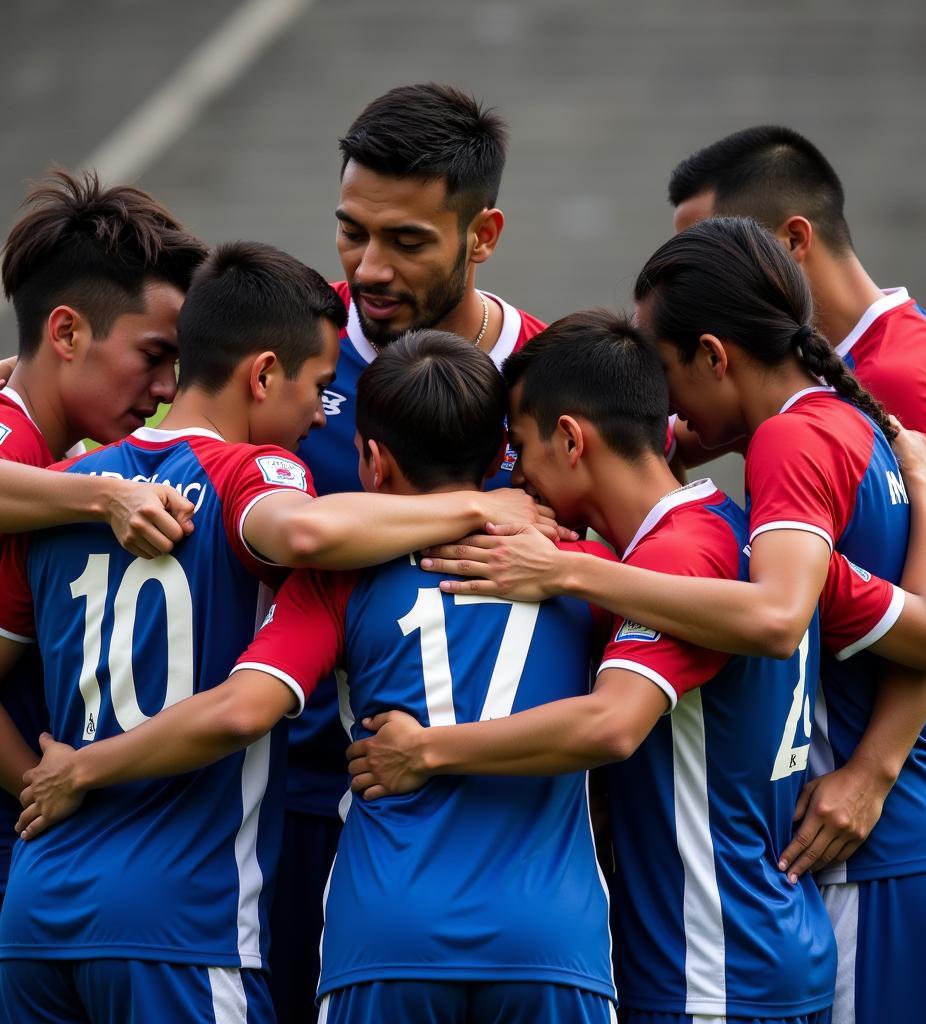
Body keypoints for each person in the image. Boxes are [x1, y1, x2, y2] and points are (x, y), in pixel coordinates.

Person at [408, 219, 926, 1023]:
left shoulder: (766, 472)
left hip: (759, 941)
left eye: (666, 372)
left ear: (713, 355)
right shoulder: (814, 481)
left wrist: (426, 745)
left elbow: (639, 706)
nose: (667, 406)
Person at [0, 242, 553, 1024]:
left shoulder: (66, 488)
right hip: (182, 920)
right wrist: (481, 505)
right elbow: (301, 537)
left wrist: (39, 778)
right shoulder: (253, 472)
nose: (316, 418)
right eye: (320, 391)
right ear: (262, 375)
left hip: (35, 908)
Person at [345, 313, 853, 1021]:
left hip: (711, 964)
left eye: (521, 448)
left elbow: (612, 724)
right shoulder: (741, 533)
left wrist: (425, 748)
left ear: (571, 439)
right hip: (767, 938)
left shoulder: (674, 555)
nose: (516, 477)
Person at [278, 82, 552, 1023]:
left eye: (407, 241)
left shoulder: (552, 377)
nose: (366, 267)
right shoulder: (287, 355)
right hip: (311, 799)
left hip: (525, 831)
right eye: (353, 231)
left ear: (484, 235)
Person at [0, 169, 206, 905]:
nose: (163, 390)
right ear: (65, 331)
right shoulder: (30, 452)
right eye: (152, 357)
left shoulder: (41, 448)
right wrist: (47, 797)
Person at [667, 125, 926, 483]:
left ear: (793, 239)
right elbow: (650, 447)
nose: (694, 285)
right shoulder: (794, 356)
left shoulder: (900, 376)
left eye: (712, 259)